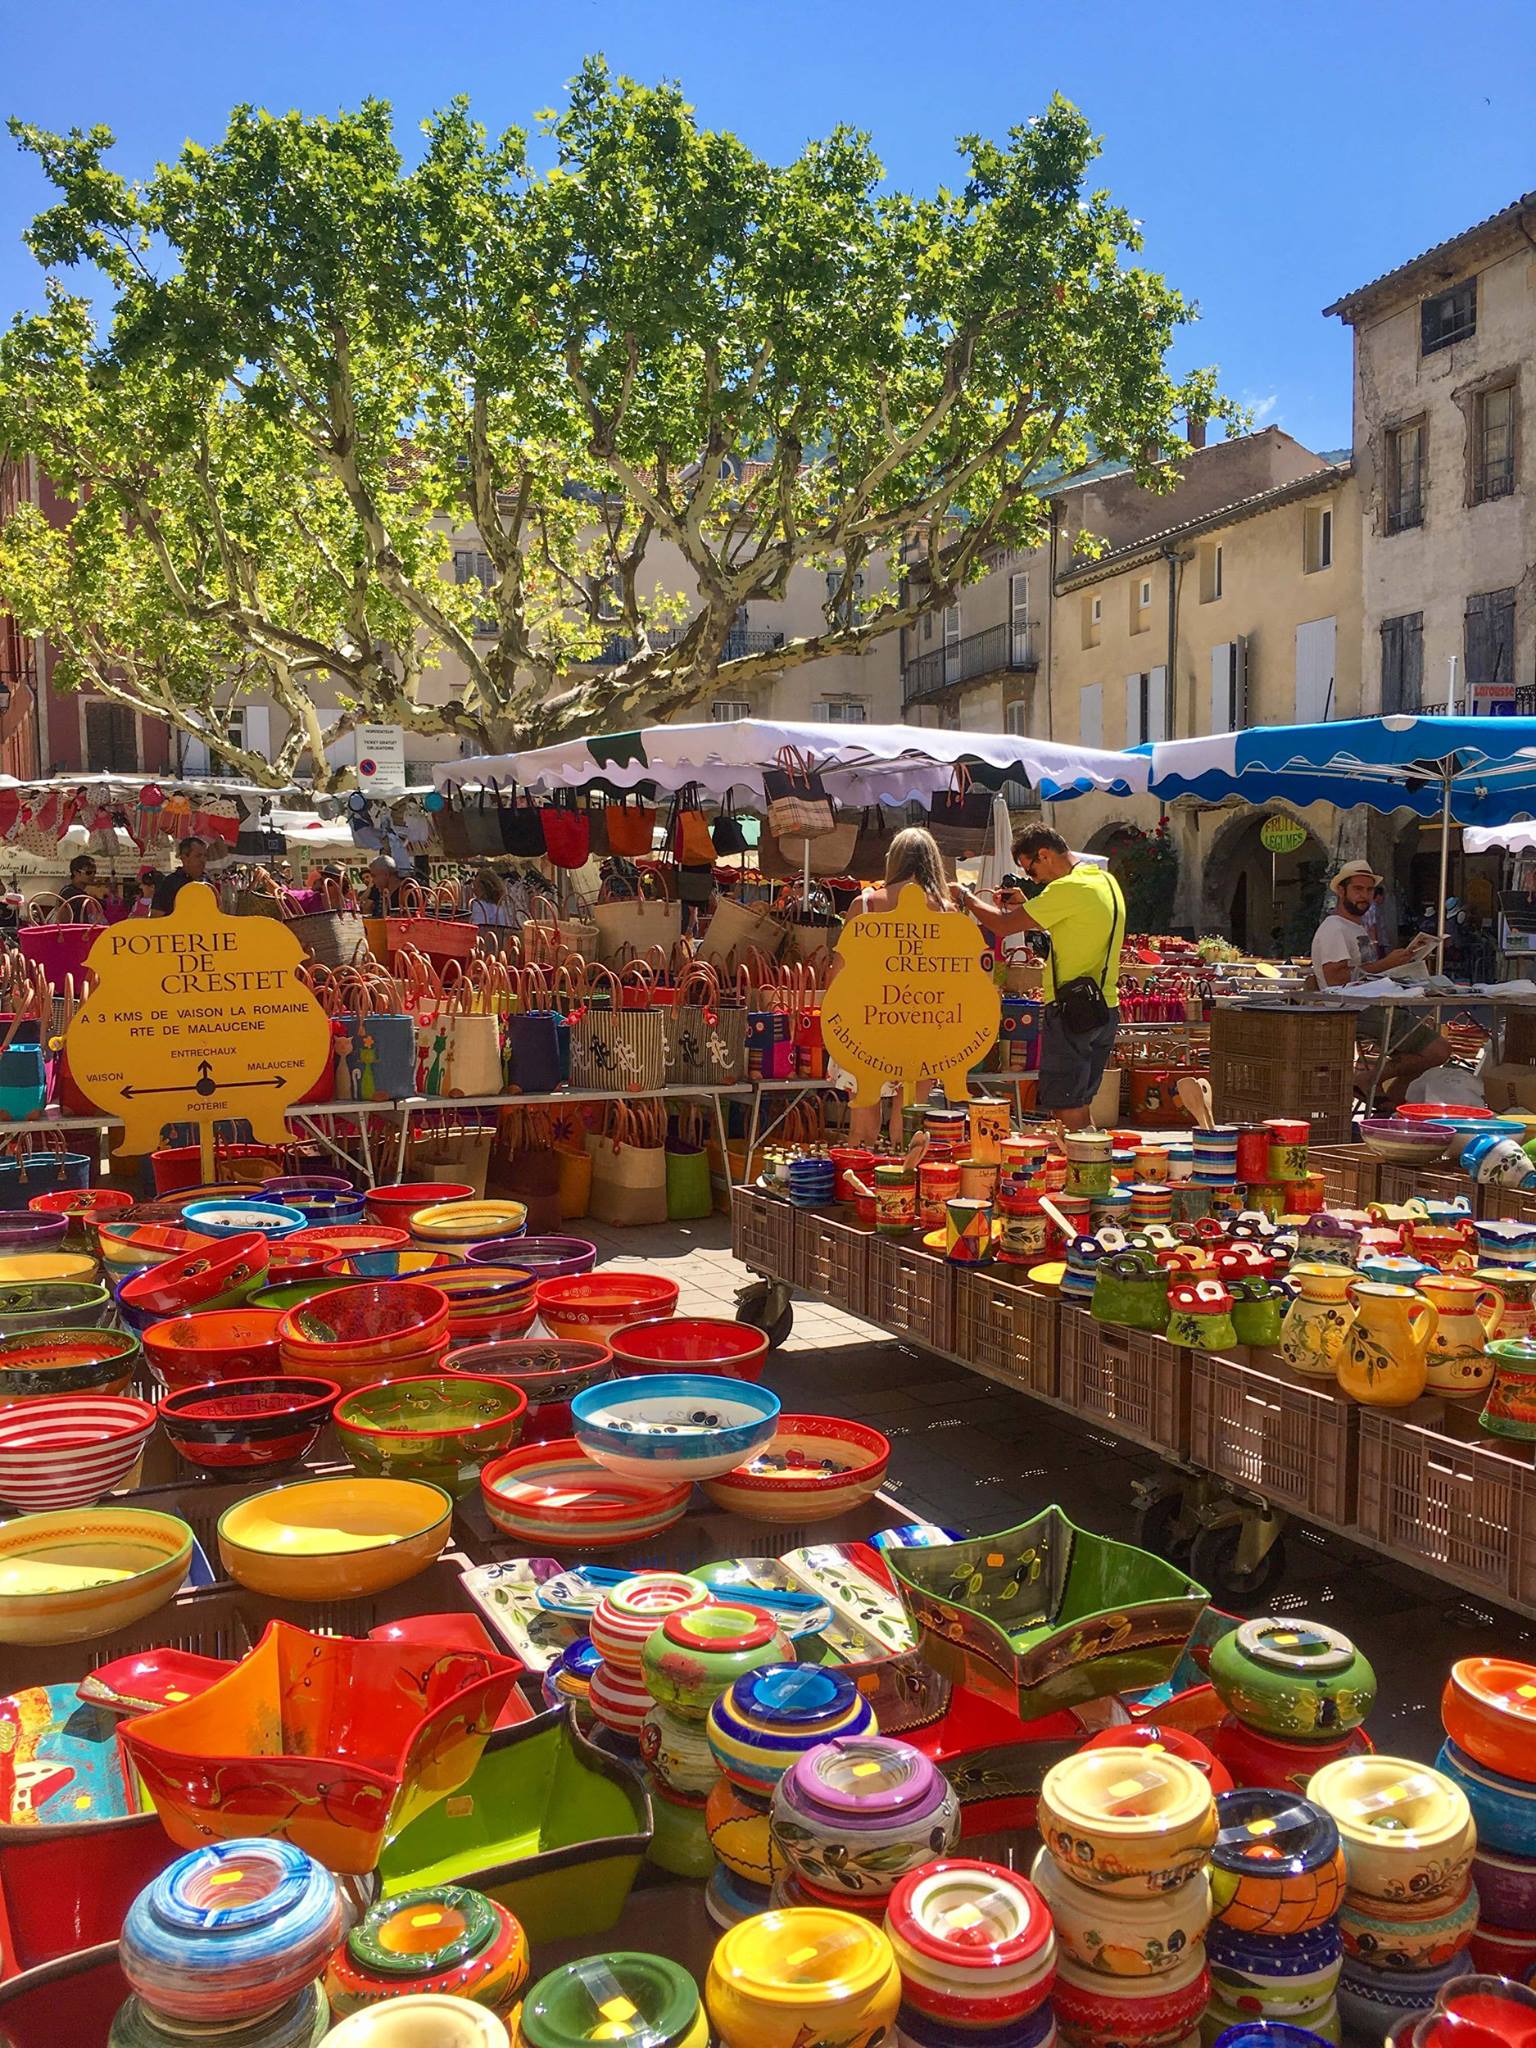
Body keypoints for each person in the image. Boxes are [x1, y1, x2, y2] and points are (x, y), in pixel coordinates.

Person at [953, 823, 1125, 1130]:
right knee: (1079, 1099)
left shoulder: (1067, 889)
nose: (1035, 879)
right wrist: (1027, 906)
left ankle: (1082, 1173)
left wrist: (966, 897)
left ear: (1044, 855)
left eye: (1031, 871)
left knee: (1066, 1103)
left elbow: (1002, 926)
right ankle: (1092, 1164)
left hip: (1071, 1011)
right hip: (1104, 1007)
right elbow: (1075, 928)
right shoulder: (1105, 882)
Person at [828, 827, 952, 1148]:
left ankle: (863, 1192)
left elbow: (840, 974)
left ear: (892, 861)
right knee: (909, 1123)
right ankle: (903, 1190)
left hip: (866, 1023)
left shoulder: (864, 905)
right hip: (923, 1024)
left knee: (862, 1126)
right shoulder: (945, 911)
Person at [1310, 860, 1449, 1104]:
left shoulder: (1354, 926)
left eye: (1369, 890)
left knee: (1421, 1053)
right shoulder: (1334, 927)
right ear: (1341, 891)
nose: (1364, 896)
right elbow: (1337, 979)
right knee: (1439, 1050)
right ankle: (1368, 1079)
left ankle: (1392, 1103)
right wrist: (1388, 964)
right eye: (1358, 889)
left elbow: (1362, 973)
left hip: (1370, 1005)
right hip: (1353, 1010)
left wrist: (1400, 965)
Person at [151, 837, 209, 915]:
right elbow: (156, 915)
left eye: (205, 855)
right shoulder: (169, 883)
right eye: (198, 856)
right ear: (184, 858)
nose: (203, 860)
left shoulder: (208, 882)